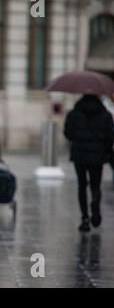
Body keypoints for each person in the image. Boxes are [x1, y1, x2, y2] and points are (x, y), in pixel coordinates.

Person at [64, 94, 114, 232]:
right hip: (97, 156)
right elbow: (111, 136)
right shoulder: (105, 114)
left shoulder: (73, 114)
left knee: (82, 185)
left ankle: (85, 218)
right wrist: (106, 151)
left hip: (79, 155)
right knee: (95, 185)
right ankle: (95, 206)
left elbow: (68, 133)